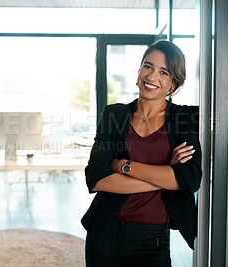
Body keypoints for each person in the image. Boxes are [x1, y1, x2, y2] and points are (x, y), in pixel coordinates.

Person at [81, 40, 202, 267]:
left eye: (163, 72)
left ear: (173, 84)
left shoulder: (184, 119)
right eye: (147, 66)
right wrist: (167, 177)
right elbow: (96, 179)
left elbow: (190, 179)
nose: (152, 76)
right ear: (138, 71)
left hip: (152, 239)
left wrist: (125, 166)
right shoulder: (114, 115)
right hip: (105, 232)